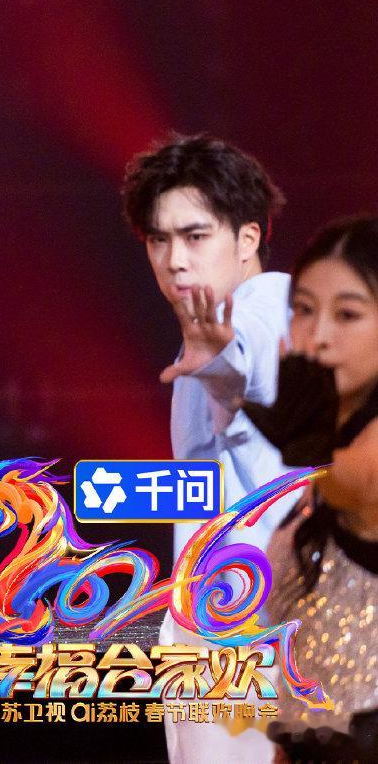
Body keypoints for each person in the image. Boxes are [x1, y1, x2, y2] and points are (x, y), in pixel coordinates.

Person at [122, 132, 294, 762]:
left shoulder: (267, 308)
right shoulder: (211, 334)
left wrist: (219, 359)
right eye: (158, 240)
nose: (175, 260)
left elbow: (246, 363)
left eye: (195, 237)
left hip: (255, 642)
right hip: (222, 632)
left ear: (247, 239)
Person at [243, 215, 378, 763]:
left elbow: (362, 485)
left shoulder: (348, 454)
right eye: (303, 309)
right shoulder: (328, 439)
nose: (318, 335)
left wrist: (311, 453)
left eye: (347, 314)